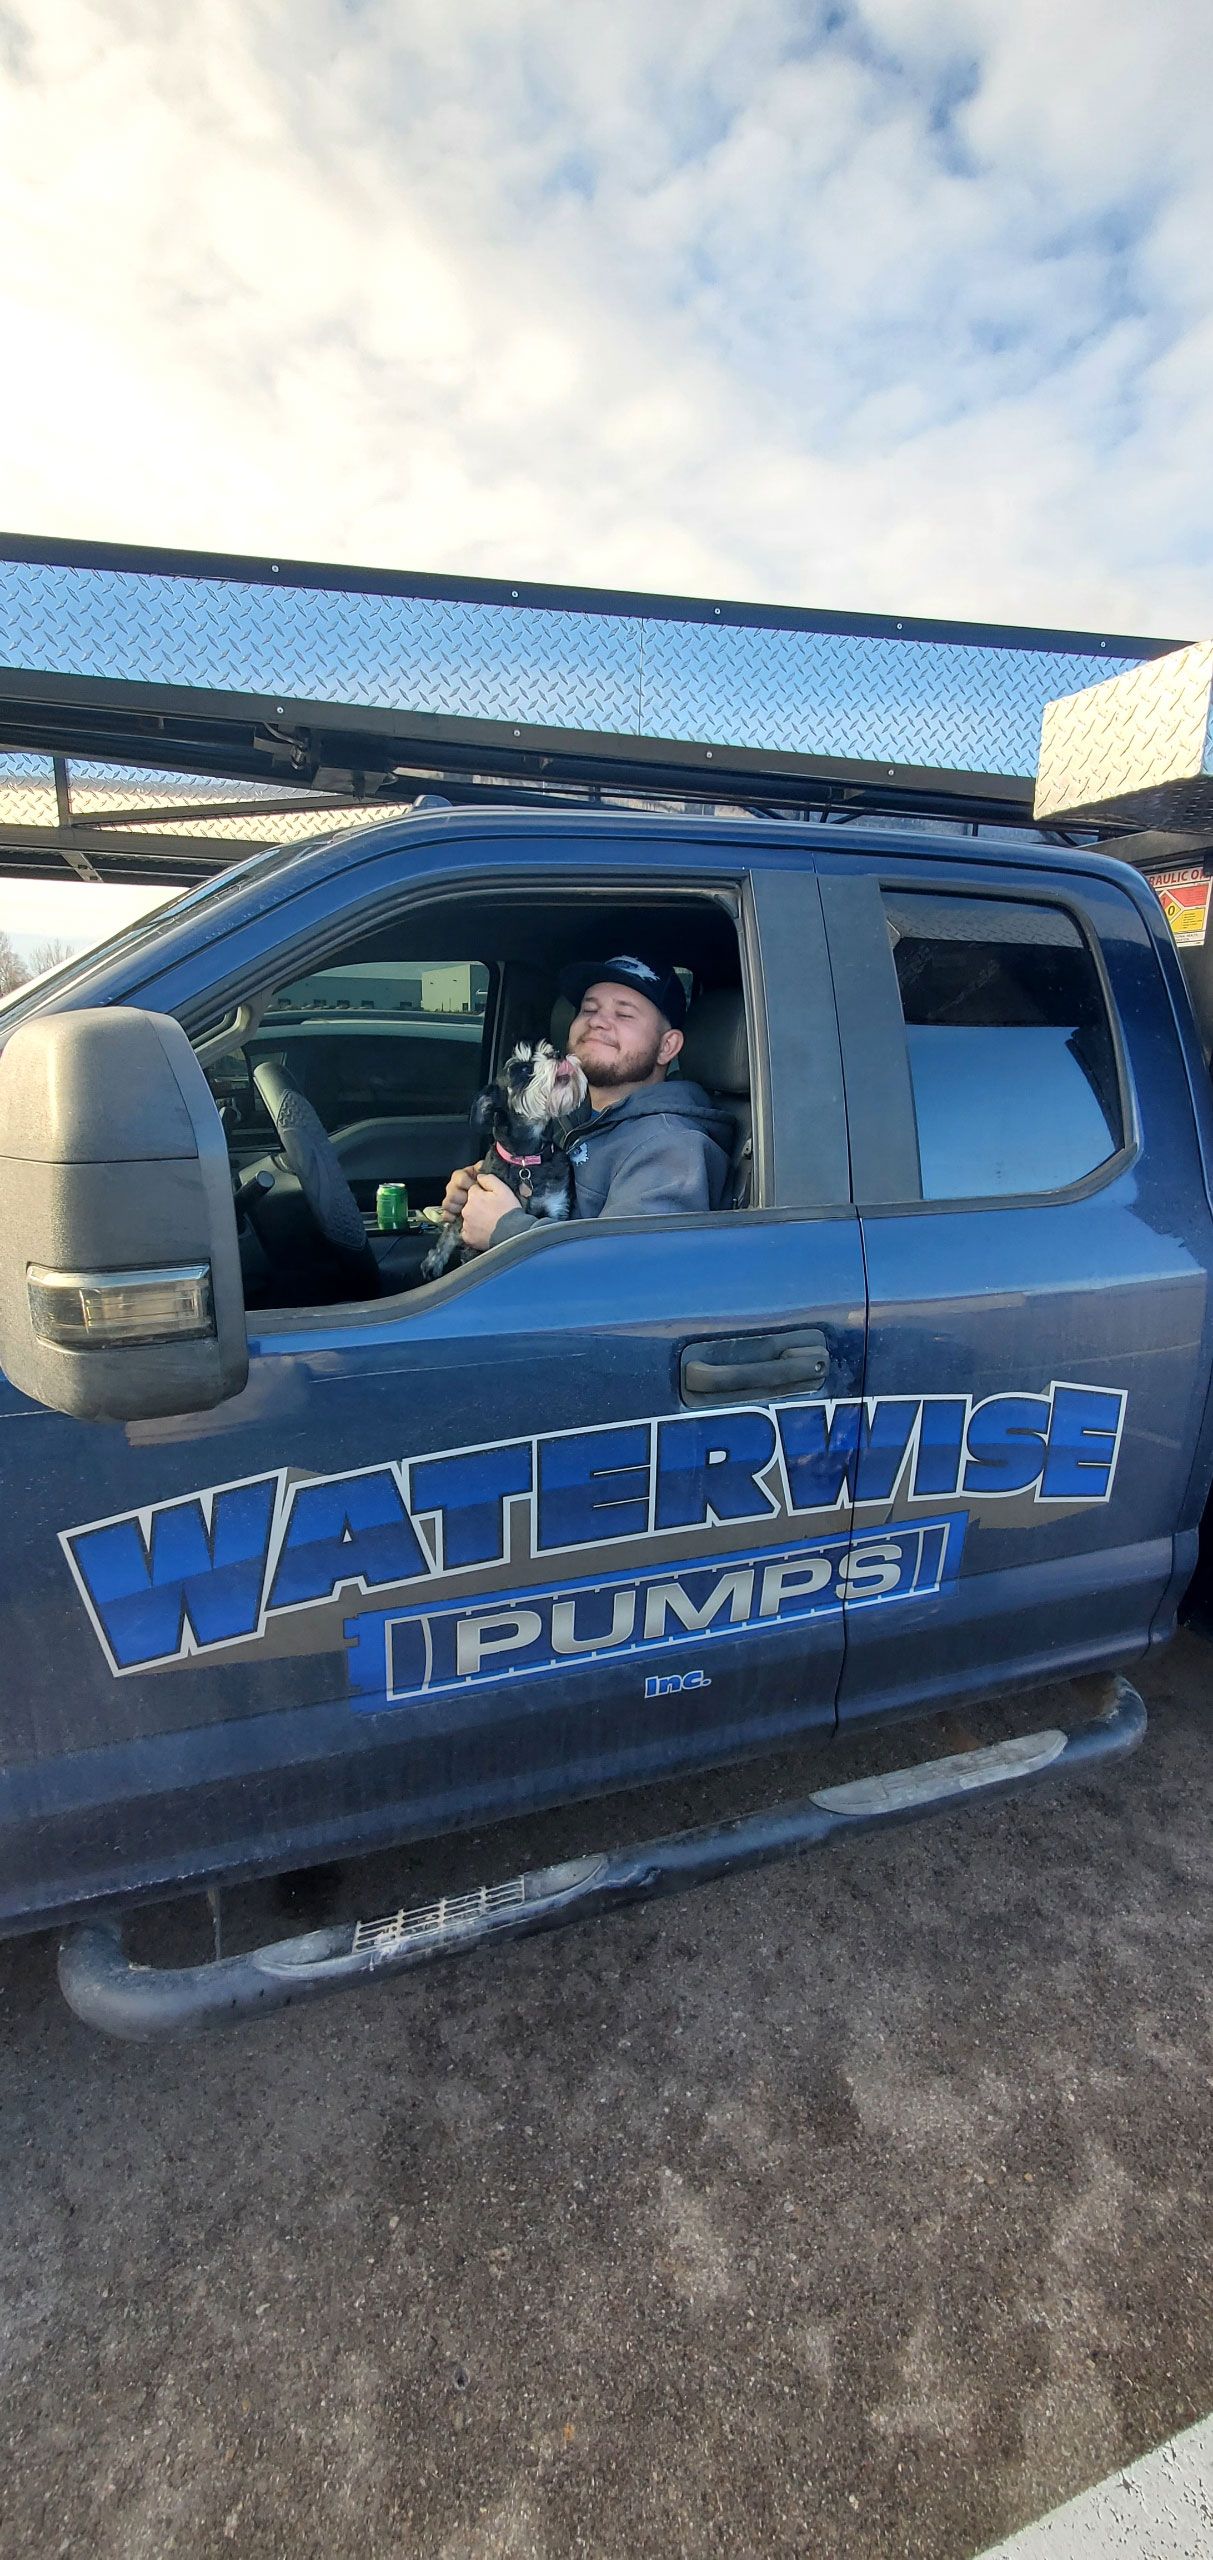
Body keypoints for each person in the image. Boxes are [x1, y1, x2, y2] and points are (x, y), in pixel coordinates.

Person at [444, 955, 734, 1251]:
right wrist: (480, 1198)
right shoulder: (565, 1119)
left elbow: (628, 1273)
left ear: (666, 1046)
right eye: (589, 1009)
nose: (597, 1021)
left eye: (624, 1014)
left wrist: (506, 1228)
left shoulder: (672, 1148)